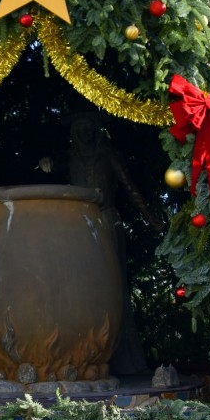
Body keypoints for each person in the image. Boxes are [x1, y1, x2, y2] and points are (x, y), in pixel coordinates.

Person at [66, 112, 151, 375]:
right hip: (78, 224)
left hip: (105, 220)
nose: (85, 132)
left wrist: (148, 216)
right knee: (80, 286)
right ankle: (81, 354)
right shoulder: (70, 157)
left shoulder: (108, 154)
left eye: (88, 125)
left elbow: (128, 184)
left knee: (111, 284)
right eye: (79, 126)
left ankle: (116, 353)